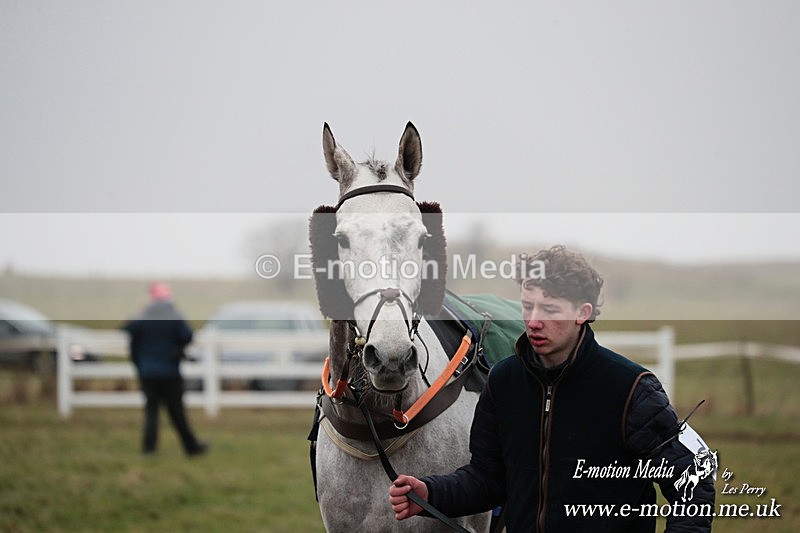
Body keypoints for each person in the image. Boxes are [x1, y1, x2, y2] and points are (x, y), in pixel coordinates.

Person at [389, 246, 715, 532]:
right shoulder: (504, 381)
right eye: (527, 306)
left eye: (549, 309)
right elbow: (488, 480)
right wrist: (431, 493)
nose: (532, 321)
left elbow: (693, 482)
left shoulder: (631, 389)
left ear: (582, 314)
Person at [123, 282, 208, 457]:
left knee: (151, 411)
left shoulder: (144, 315)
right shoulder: (173, 314)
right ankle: (191, 447)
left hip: (148, 372)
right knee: (177, 412)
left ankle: (149, 450)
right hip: (169, 371)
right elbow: (187, 335)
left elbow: (129, 331)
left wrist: (140, 363)